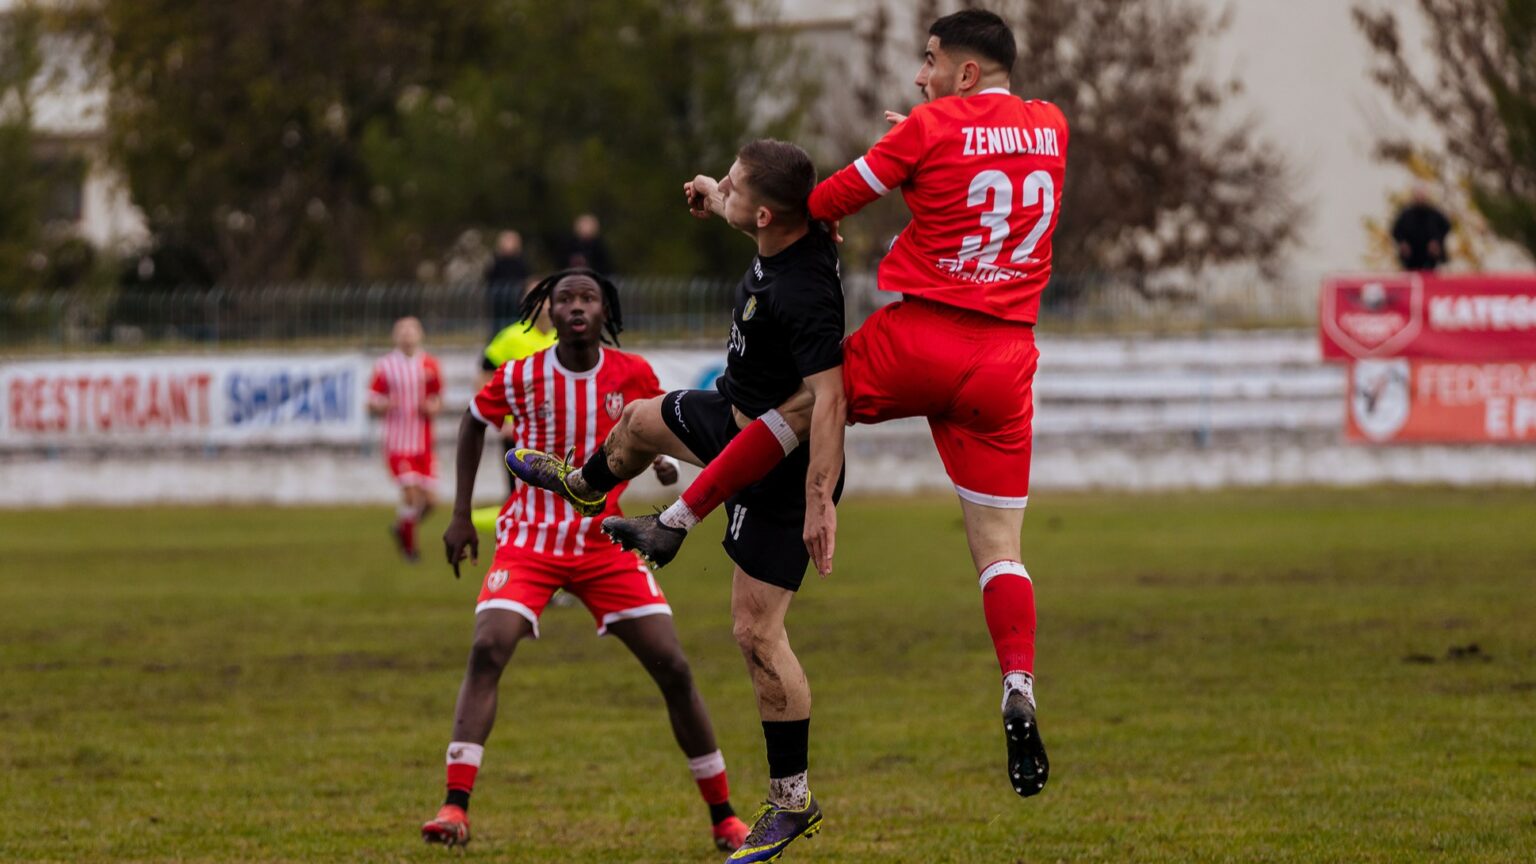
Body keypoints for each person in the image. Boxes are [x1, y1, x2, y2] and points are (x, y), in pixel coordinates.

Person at [567, 9, 1063, 807]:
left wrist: (891, 156)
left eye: (931, 61)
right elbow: (981, 172)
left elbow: (821, 204)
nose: (921, 77)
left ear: (965, 73)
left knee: (802, 405)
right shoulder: (1050, 125)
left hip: (926, 337)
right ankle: (1018, 684)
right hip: (1007, 361)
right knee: (1002, 551)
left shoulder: (926, 131)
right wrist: (926, 153)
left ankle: (677, 520)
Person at [506, 141, 845, 863]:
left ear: (765, 214)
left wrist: (821, 497)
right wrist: (710, 194)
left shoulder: (806, 293)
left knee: (755, 634)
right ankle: (582, 486)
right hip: (731, 414)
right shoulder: (777, 227)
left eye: (732, 184)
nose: (722, 187)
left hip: (783, 467)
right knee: (635, 421)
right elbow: (744, 202)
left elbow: (830, 402)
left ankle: (791, 802)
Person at [422, 269, 750, 852]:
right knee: (487, 646)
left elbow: (654, 426)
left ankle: (724, 816)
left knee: (673, 667)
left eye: (588, 298)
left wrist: (663, 461)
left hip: (605, 542)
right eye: (565, 298)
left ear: (605, 311)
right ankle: (454, 806)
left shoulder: (633, 372)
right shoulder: (520, 373)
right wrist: (460, 514)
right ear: (548, 312)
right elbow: (473, 422)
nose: (576, 306)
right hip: (530, 538)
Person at [369, 316, 443, 562]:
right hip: (398, 444)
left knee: (431, 502)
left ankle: (402, 527)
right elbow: (371, 400)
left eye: (412, 331)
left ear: (420, 334)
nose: (407, 335)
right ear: (395, 336)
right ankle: (411, 549)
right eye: (402, 331)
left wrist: (433, 406)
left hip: (424, 444)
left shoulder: (430, 364)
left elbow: (437, 398)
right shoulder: (385, 366)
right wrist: (383, 404)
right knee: (411, 495)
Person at [1391, 186, 1451, 271]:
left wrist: (1437, 241)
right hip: (1411, 259)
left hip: (1431, 259)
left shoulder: (1434, 214)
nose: (1420, 198)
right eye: (1418, 195)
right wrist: (1402, 242)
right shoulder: (1406, 215)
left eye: (1422, 195)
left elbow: (1446, 226)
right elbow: (1395, 231)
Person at [484, 230, 530, 332]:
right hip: (499, 301)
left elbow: (524, 277)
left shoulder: (521, 261)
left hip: (516, 300)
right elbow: (490, 277)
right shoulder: (496, 261)